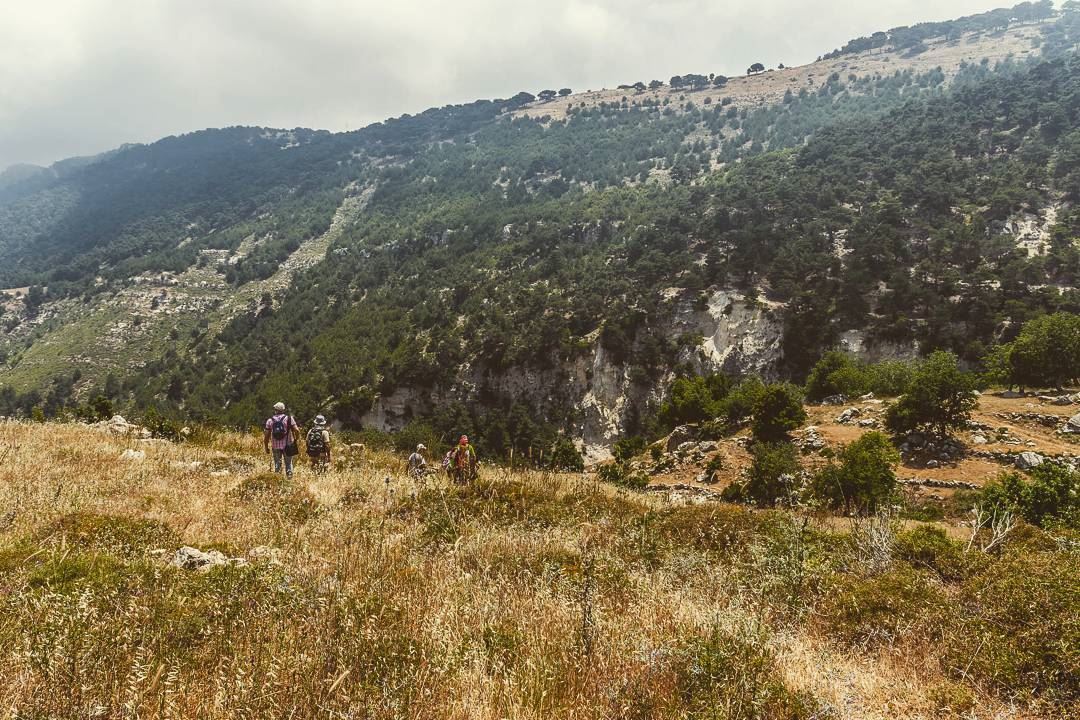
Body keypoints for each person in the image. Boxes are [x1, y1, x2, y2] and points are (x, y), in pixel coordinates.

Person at [263, 402, 300, 478]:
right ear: (283, 410)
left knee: (277, 465)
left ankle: (277, 481)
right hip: (288, 445)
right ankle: (289, 481)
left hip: (275, 446)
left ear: (275, 410)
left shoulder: (270, 420)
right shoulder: (289, 419)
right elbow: (297, 430)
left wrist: (266, 446)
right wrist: (296, 439)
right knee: (289, 464)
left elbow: (266, 435)